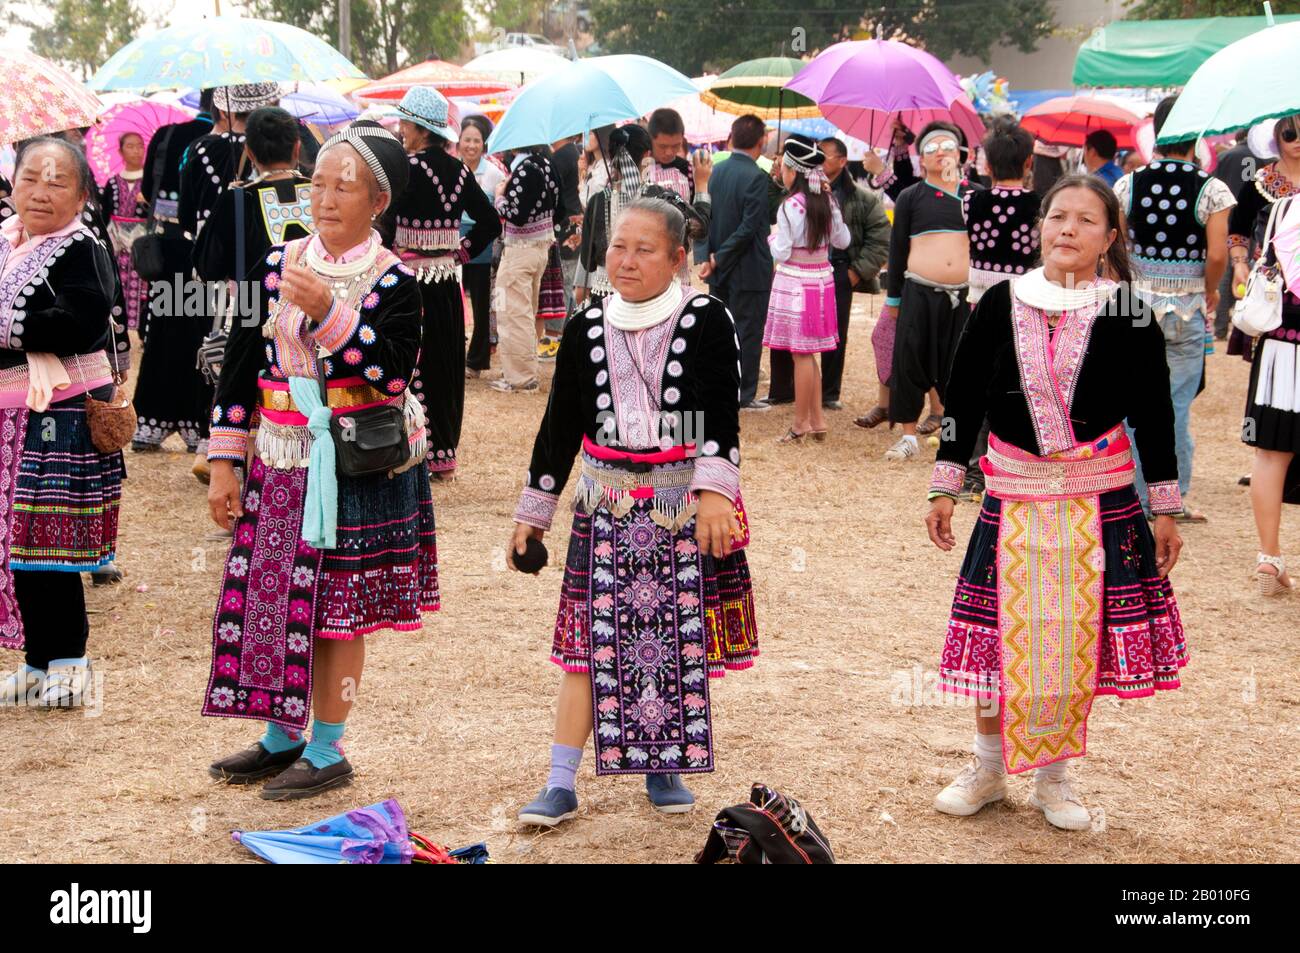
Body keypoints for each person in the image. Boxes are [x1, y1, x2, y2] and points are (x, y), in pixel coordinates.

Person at [926, 174, 1187, 830]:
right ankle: (987, 765)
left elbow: (1154, 414)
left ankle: (1055, 776)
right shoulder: (999, 303)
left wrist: (1165, 507)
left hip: (1097, 503)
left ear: (1109, 236)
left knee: (1074, 638)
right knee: (992, 637)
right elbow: (962, 399)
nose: (1067, 228)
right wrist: (947, 485)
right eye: (1056, 216)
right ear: (1039, 225)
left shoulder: (1128, 311)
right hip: (1010, 497)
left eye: (1085, 220)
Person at [203, 121, 438, 799]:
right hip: (280, 456)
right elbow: (240, 364)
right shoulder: (277, 265)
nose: (326, 196)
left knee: (338, 608)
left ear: (378, 201)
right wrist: (225, 459)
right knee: (271, 594)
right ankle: (281, 735)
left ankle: (330, 745)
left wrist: (331, 311)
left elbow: (392, 374)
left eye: (345, 184)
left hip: (353, 464)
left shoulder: (396, 281)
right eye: (318, 182)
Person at [508, 195, 756, 826]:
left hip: (678, 508)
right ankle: (560, 780)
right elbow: (560, 423)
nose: (625, 259)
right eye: (618, 245)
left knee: (672, 640)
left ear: (678, 258)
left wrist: (713, 494)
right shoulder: (586, 326)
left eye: (644, 249)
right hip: (605, 504)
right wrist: (534, 512)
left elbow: (718, 417)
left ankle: (661, 759)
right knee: (587, 645)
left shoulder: (707, 319)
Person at [0, 138, 125, 708]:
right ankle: (36, 659)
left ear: (79, 194)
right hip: (13, 412)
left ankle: (71, 661)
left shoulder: (81, 247)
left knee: (51, 539)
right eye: (31, 178)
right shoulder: (8, 244)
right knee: (17, 542)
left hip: (64, 409)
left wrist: (8, 330)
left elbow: (80, 321)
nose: (40, 192)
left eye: (56, 182)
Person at [1115, 95, 1236, 524]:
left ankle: (1130, 494)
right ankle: (1170, 497)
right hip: (1187, 307)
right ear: (1196, 132)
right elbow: (1219, 254)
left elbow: (1118, 244)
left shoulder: (1128, 184)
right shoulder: (1212, 189)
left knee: (1132, 404)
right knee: (1175, 404)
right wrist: (1209, 290)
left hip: (1134, 307)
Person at [388, 87, 501, 477]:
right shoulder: (459, 170)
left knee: (411, 362)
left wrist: (387, 258)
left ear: (421, 129)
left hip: (408, 285)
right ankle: (443, 455)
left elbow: (386, 224)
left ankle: (412, 448)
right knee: (446, 364)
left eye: (405, 122)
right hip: (446, 282)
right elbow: (491, 221)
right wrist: (460, 253)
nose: (401, 128)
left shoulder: (405, 170)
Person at [1229, 113, 1300, 594]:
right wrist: (1240, 262)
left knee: (1271, 452)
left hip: (1282, 340)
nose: (1295, 142)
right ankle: (1269, 558)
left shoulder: (1279, 203)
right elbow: (1236, 228)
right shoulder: (1264, 184)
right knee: (1271, 453)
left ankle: (1269, 558)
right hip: (1281, 337)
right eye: (1288, 132)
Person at [878, 122, 972, 460]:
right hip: (918, 291)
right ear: (921, 158)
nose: (940, 153)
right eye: (931, 148)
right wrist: (893, 298)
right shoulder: (910, 197)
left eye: (947, 145)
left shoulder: (974, 194)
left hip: (963, 295)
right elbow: (898, 249)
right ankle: (907, 436)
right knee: (909, 361)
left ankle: (953, 437)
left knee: (959, 368)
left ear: (962, 154)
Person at [763, 139, 849, 443]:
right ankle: (817, 419)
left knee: (801, 353)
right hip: (821, 281)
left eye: (784, 167)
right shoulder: (828, 202)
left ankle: (800, 423)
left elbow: (782, 252)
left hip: (796, 282)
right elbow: (844, 241)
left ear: (792, 171)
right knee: (808, 352)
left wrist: (771, 238)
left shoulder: (790, 206)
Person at [193, 106, 313, 287]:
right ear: (297, 148)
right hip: (315, 311)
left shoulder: (236, 199)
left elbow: (207, 269)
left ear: (248, 152)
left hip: (254, 311)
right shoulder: (322, 194)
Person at [703, 114, 772, 410]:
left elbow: (704, 215)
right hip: (747, 267)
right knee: (747, 331)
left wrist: (708, 256)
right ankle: (743, 393)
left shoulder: (716, 172)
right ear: (762, 141)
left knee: (721, 330)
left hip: (719, 267)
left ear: (731, 138)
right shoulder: (757, 176)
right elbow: (749, 228)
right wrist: (719, 257)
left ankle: (719, 385)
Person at [817, 137, 889, 412]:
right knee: (798, 329)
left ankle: (829, 392)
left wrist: (857, 272)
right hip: (808, 268)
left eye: (824, 156)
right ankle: (790, 388)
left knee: (836, 332)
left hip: (840, 270)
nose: (819, 161)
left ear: (842, 161)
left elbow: (881, 238)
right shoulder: (806, 190)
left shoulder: (862, 197)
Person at [491, 143, 559, 393]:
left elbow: (516, 214)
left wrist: (499, 197)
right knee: (525, 311)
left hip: (520, 248)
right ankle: (523, 372)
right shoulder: (546, 165)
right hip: (540, 247)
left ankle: (520, 377)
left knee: (512, 313)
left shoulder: (524, 170)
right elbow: (558, 208)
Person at [576, 124, 653, 307]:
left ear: (611, 155)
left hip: (605, 299)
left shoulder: (597, 201)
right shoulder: (657, 197)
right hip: (648, 298)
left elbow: (588, 263)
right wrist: (701, 186)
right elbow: (698, 227)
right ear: (647, 156)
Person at [458, 116, 506, 378]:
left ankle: (475, 362)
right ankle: (455, 354)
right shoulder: (453, 168)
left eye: (477, 140)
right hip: (452, 245)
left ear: (483, 144)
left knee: (480, 304)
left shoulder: (494, 173)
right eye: (467, 140)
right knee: (455, 304)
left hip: (483, 247)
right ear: (459, 142)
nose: (472, 145)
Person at [1212, 129, 1261, 340]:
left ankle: (1221, 325)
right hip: (1256, 221)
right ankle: (1244, 324)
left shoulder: (1225, 156)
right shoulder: (1264, 158)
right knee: (1250, 269)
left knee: (1226, 273)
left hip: (1227, 218)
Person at [99, 132, 151, 331]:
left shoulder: (150, 182)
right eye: (130, 146)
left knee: (142, 289)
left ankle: (140, 331)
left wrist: (148, 202)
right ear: (120, 151)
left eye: (140, 145)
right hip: (117, 248)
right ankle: (116, 329)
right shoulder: (112, 183)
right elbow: (105, 216)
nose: (137, 150)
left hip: (141, 248)